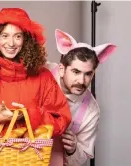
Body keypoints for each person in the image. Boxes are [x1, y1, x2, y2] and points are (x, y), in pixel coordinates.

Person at [0, 8, 72, 166]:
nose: (11, 43)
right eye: (5, 36)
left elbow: (62, 119)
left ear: (27, 40)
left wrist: (30, 115)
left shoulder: (43, 76)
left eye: (18, 36)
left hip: (29, 160)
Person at [46, 29, 116, 166]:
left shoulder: (91, 110)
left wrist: (73, 149)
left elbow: (82, 157)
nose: (82, 81)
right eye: (76, 72)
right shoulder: (44, 71)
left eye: (88, 74)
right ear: (62, 69)